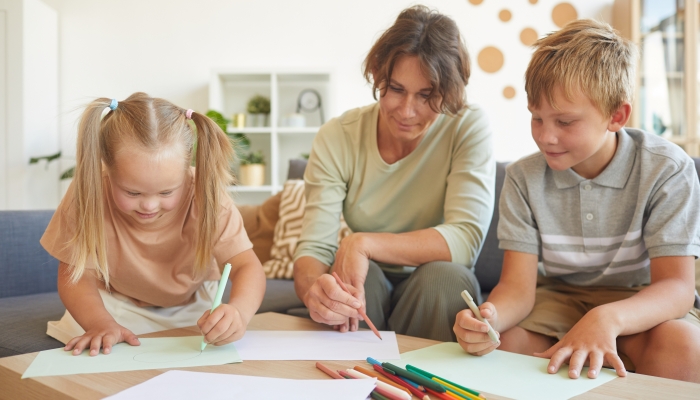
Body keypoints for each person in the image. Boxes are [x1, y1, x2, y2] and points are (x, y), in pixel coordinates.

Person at [453, 19, 700, 382]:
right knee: (500, 346)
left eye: (565, 122)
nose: (546, 136)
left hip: (640, 300)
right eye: (537, 118)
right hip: (558, 299)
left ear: (616, 116)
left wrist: (605, 317)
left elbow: (677, 289)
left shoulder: (667, 168)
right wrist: (488, 317)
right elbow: (518, 290)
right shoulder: (523, 178)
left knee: (684, 346)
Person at [293, 5, 495, 342]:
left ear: (449, 92)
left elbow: (465, 239)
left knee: (443, 279)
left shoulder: (467, 125)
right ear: (376, 73)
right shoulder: (338, 136)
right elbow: (314, 249)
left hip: (437, 283)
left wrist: (363, 242)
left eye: (427, 96)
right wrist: (315, 290)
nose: (406, 111)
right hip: (367, 276)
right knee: (354, 279)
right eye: (396, 89)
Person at [41, 93, 266, 356]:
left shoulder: (209, 196)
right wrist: (99, 323)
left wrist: (238, 311)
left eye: (166, 192)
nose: (149, 206)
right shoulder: (87, 192)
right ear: (108, 170)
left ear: (186, 172)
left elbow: (246, 265)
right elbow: (75, 275)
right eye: (132, 193)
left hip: (193, 308)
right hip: (110, 307)